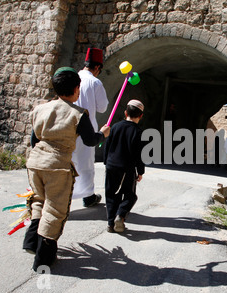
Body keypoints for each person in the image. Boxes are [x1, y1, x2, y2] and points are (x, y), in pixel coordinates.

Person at [23, 67, 110, 271]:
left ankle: (30, 242)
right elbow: (90, 140)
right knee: (55, 210)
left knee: (38, 200)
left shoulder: (39, 109)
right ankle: (43, 259)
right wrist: (103, 134)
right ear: (76, 88)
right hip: (57, 166)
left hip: (35, 163)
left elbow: (34, 139)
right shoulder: (78, 114)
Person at [72, 47, 109, 207]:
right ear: (97, 67)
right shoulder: (95, 82)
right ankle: (88, 196)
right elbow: (102, 107)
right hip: (87, 126)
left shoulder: (74, 77)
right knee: (85, 162)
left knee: (69, 160)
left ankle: (63, 192)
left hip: (69, 124)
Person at [104, 99, 145, 233]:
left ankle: (110, 224)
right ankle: (121, 215)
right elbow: (139, 154)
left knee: (111, 194)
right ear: (140, 116)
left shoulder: (115, 126)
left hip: (111, 166)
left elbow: (107, 145)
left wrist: (106, 161)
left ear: (125, 112)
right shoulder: (137, 132)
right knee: (130, 195)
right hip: (126, 169)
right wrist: (140, 171)